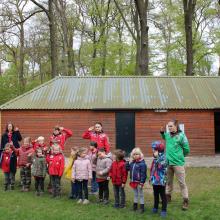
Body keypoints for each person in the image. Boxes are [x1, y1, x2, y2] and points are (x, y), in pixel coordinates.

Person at [160, 119, 190, 211]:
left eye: (171, 126)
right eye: (168, 126)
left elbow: (186, 149)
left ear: (176, 126)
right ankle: (168, 197)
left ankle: (185, 200)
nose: (169, 127)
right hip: (168, 163)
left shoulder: (182, 136)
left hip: (178, 164)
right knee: (168, 182)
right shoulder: (168, 135)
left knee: (182, 183)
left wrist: (180, 156)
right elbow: (164, 137)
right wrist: (162, 132)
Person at [126, 147, 147, 213]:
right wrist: (127, 162)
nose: (135, 156)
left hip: (139, 182)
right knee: (135, 194)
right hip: (133, 181)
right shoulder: (132, 163)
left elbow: (143, 174)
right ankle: (134, 207)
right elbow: (127, 169)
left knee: (141, 194)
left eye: (137, 154)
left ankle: (142, 208)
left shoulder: (142, 164)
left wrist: (141, 183)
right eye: (134, 154)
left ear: (140, 155)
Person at [150, 141, 167, 218]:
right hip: (155, 180)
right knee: (155, 194)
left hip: (161, 180)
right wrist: (151, 177)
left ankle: (164, 210)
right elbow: (153, 168)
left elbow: (161, 167)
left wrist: (157, 158)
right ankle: (155, 207)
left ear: (158, 150)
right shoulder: (155, 157)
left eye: (154, 149)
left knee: (162, 195)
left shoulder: (164, 157)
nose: (152, 150)